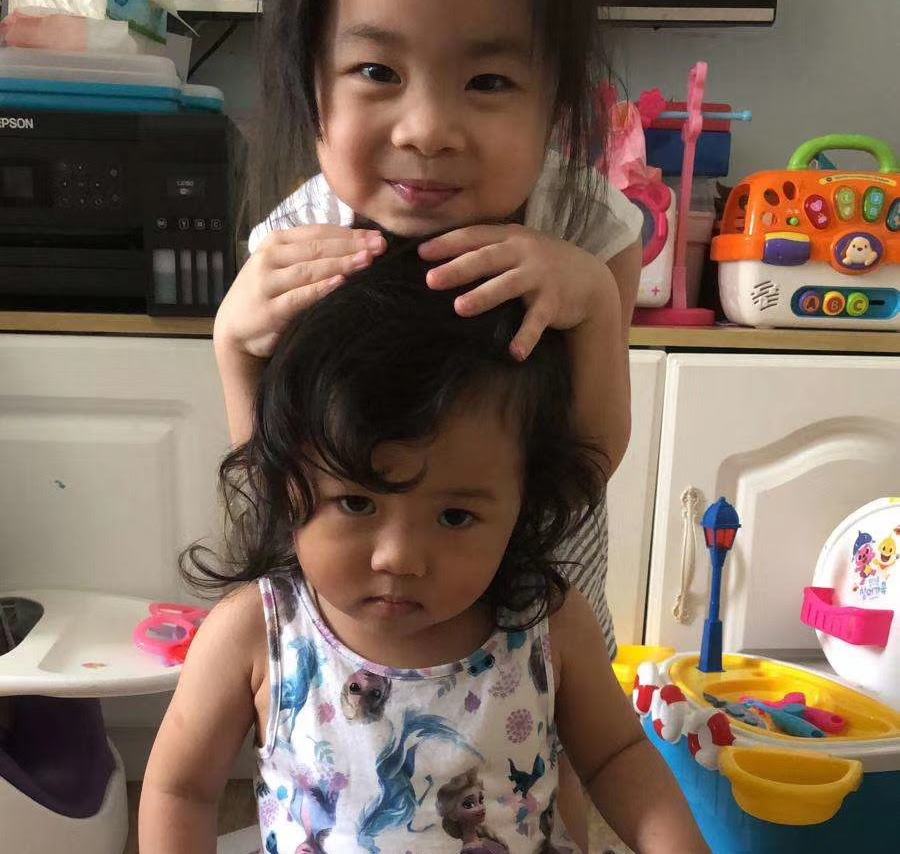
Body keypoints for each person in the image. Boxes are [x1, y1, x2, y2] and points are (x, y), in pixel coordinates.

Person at [215, 0, 643, 841]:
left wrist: (596, 304)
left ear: (557, 94)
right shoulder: (299, 243)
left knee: (548, 778)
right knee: (351, 776)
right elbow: (277, 473)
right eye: (377, 70)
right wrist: (232, 344)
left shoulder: (584, 229)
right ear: (309, 76)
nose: (428, 130)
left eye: (487, 80)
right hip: (354, 612)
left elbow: (589, 461)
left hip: (535, 602)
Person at [139, 248, 708, 854]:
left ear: (525, 504)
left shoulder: (547, 623)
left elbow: (619, 757)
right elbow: (182, 789)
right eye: (356, 503)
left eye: (455, 516)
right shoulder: (257, 633)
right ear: (287, 483)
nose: (399, 558)